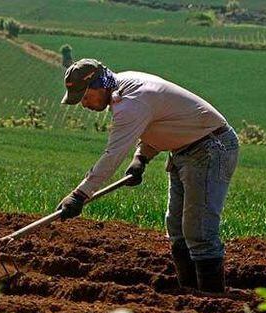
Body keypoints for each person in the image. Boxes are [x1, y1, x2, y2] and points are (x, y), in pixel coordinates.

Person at [57, 58, 239, 294]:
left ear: (98, 86)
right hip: (184, 151)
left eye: (84, 96)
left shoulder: (130, 103)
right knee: (176, 228)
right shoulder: (125, 86)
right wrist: (141, 158)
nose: (83, 104)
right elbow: (165, 121)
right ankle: (191, 294)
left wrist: (80, 194)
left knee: (199, 231)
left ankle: (212, 299)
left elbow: (113, 155)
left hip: (211, 148)